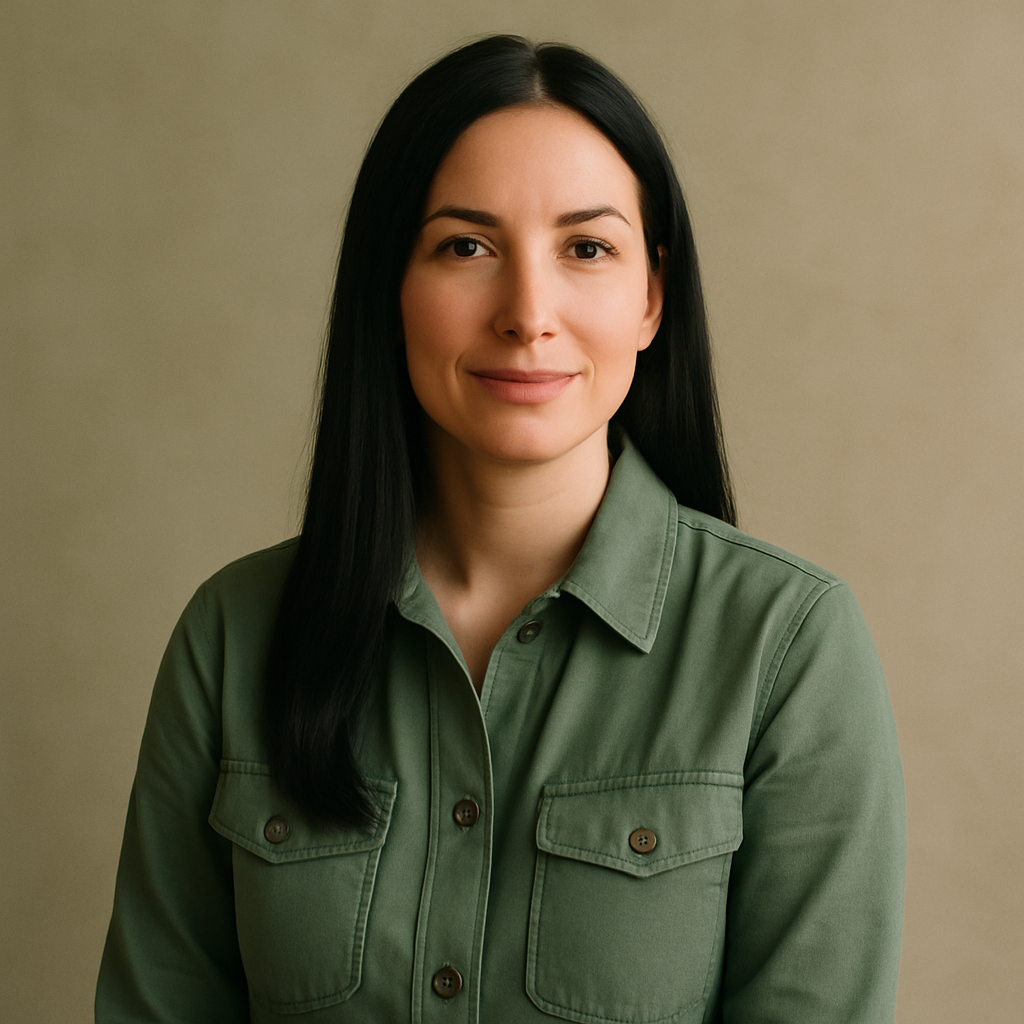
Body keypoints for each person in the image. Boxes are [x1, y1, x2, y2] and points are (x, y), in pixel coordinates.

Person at [96, 34, 905, 1024]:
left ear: (650, 295)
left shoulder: (787, 648)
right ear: (390, 289)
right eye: (465, 246)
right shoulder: (233, 635)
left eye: (586, 247)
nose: (528, 313)